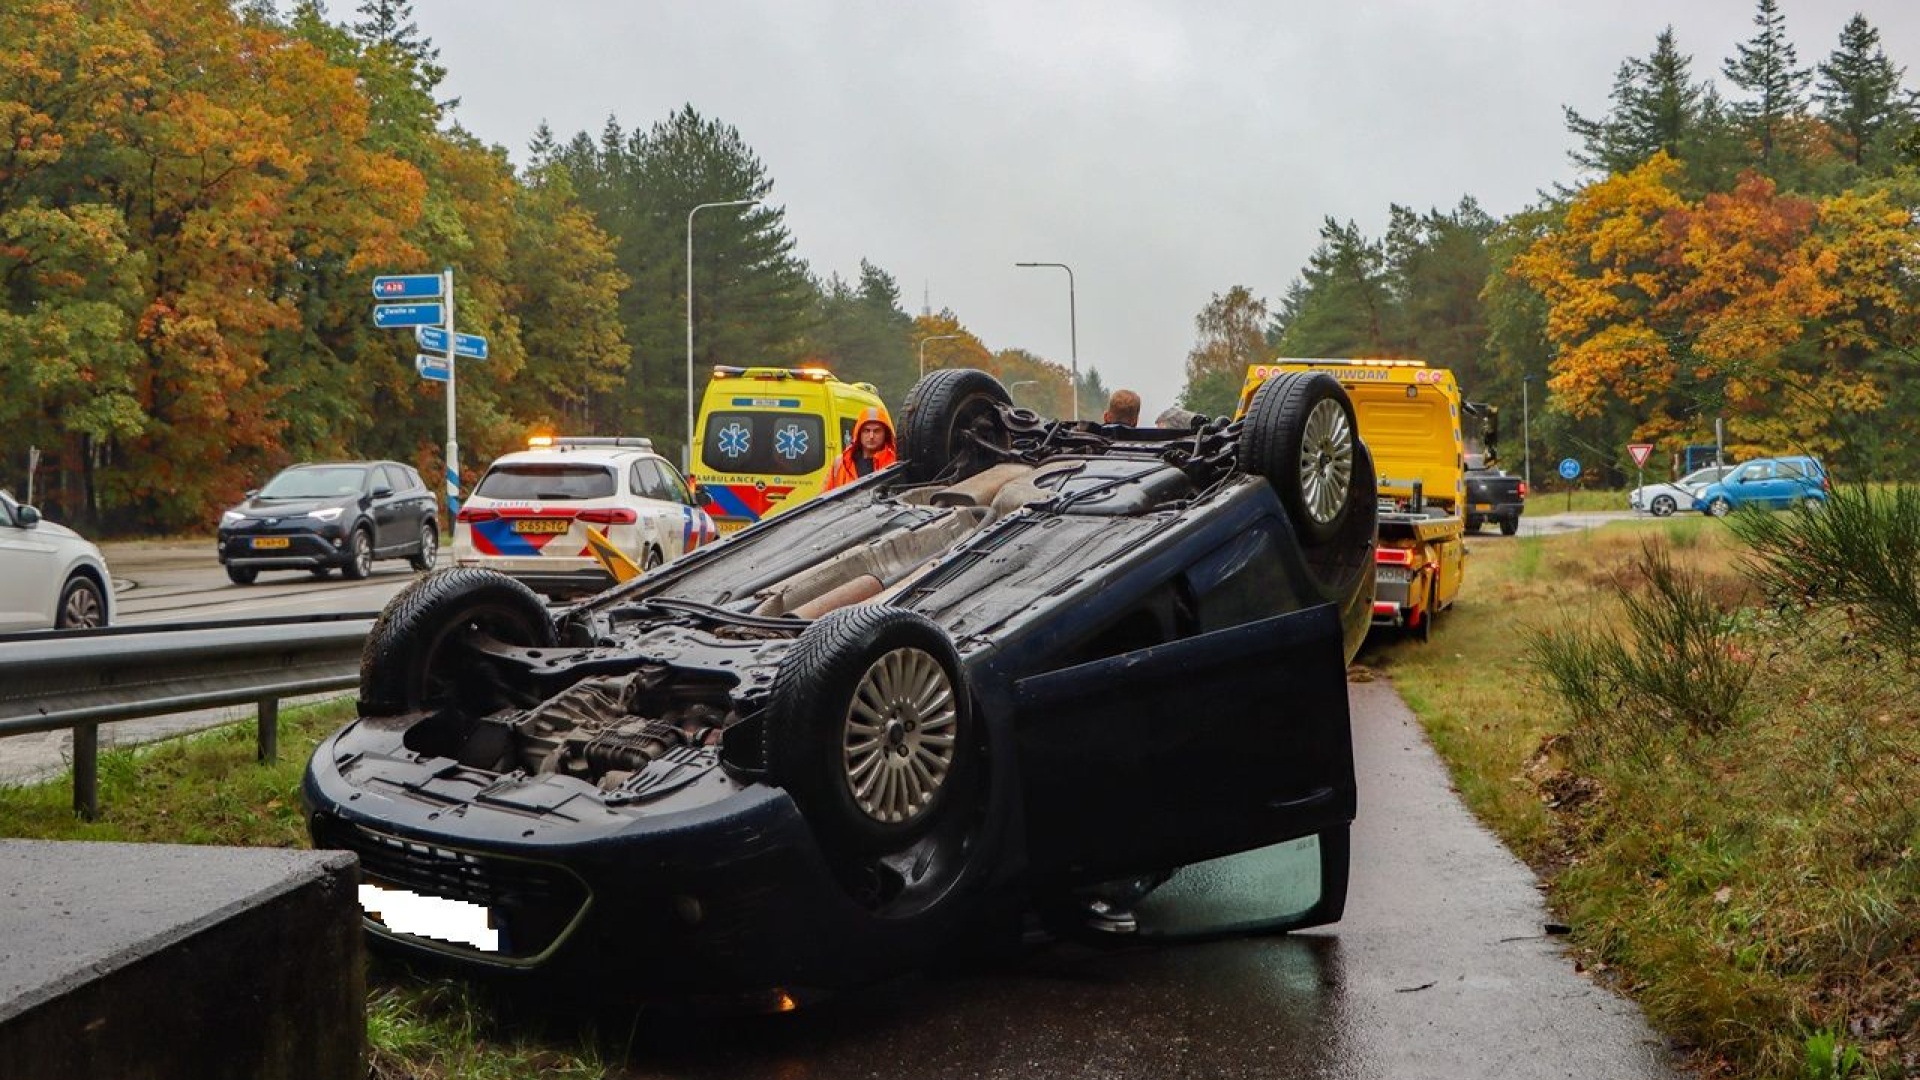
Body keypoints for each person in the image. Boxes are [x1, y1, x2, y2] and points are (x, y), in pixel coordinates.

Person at [825, 407, 896, 489]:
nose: (871, 436)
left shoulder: (894, 463)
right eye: (866, 431)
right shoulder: (841, 463)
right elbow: (825, 494)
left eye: (877, 431)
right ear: (859, 433)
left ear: (885, 434)